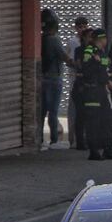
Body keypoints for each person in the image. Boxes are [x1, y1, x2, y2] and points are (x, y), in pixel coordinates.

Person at [81, 29, 112, 161]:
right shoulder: (89, 51)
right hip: (92, 91)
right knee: (93, 122)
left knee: (108, 120)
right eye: (105, 38)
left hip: (103, 90)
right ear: (100, 38)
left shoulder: (102, 53)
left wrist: (109, 83)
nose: (106, 41)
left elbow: (104, 71)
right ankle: (94, 152)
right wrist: (96, 62)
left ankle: (108, 150)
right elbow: (86, 71)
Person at [40, 19, 73, 151]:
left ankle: (39, 139)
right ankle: (54, 140)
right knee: (53, 112)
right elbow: (63, 56)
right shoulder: (54, 40)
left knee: (41, 111)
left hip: (42, 78)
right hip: (54, 79)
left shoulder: (41, 39)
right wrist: (74, 63)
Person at [70, 28, 94, 152]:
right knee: (81, 115)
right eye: (89, 36)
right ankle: (80, 141)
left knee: (92, 115)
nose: (91, 39)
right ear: (83, 38)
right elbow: (79, 65)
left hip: (92, 86)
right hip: (81, 87)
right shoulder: (80, 50)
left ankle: (91, 140)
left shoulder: (96, 51)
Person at [67, 16, 89, 149]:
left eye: (84, 26)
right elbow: (69, 60)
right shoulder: (73, 42)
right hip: (75, 82)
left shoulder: (89, 43)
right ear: (76, 28)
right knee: (74, 113)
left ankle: (85, 138)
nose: (83, 29)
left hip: (87, 83)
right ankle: (73, 140)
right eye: (80, 27)